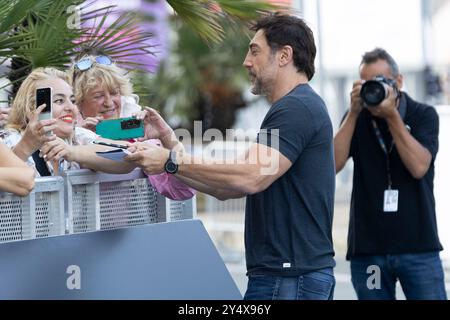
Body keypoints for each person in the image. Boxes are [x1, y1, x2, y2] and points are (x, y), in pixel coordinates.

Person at [124, 13, 336, 300]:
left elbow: (250, 177)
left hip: (290, 277)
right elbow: (225, 188)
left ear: (285, 55)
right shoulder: (292, 108)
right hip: (283, 275)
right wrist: (169, 141)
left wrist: (169, 161)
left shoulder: (296, 108)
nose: (246, 62)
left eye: (255, 50)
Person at [334, 48, 447, 300]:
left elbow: (419, 167)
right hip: (369, 251)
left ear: (398, 82)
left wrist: (392, 116)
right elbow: (332, 164)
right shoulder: (357, 117)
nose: (372, 89)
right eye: (366, 83)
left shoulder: (422, 115)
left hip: (418, 247)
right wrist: (352, 113)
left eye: (380, 82)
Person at [69, 56, 195, 201]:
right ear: (78, 103)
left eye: (114, 92)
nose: (109, 102)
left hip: (135, 223)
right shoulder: (66, 137)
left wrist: (166, 136)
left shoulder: (137, 136)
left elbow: (182, 191)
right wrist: (80, 137)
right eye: (98, 96)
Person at [3, 67, 136, 176]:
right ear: (32, 109)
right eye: (59, 101)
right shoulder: (9, 140)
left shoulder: (78, 136)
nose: (71, 108)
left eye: (72, 101)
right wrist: (24, 148)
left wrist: (73, 152)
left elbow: (128, 158)